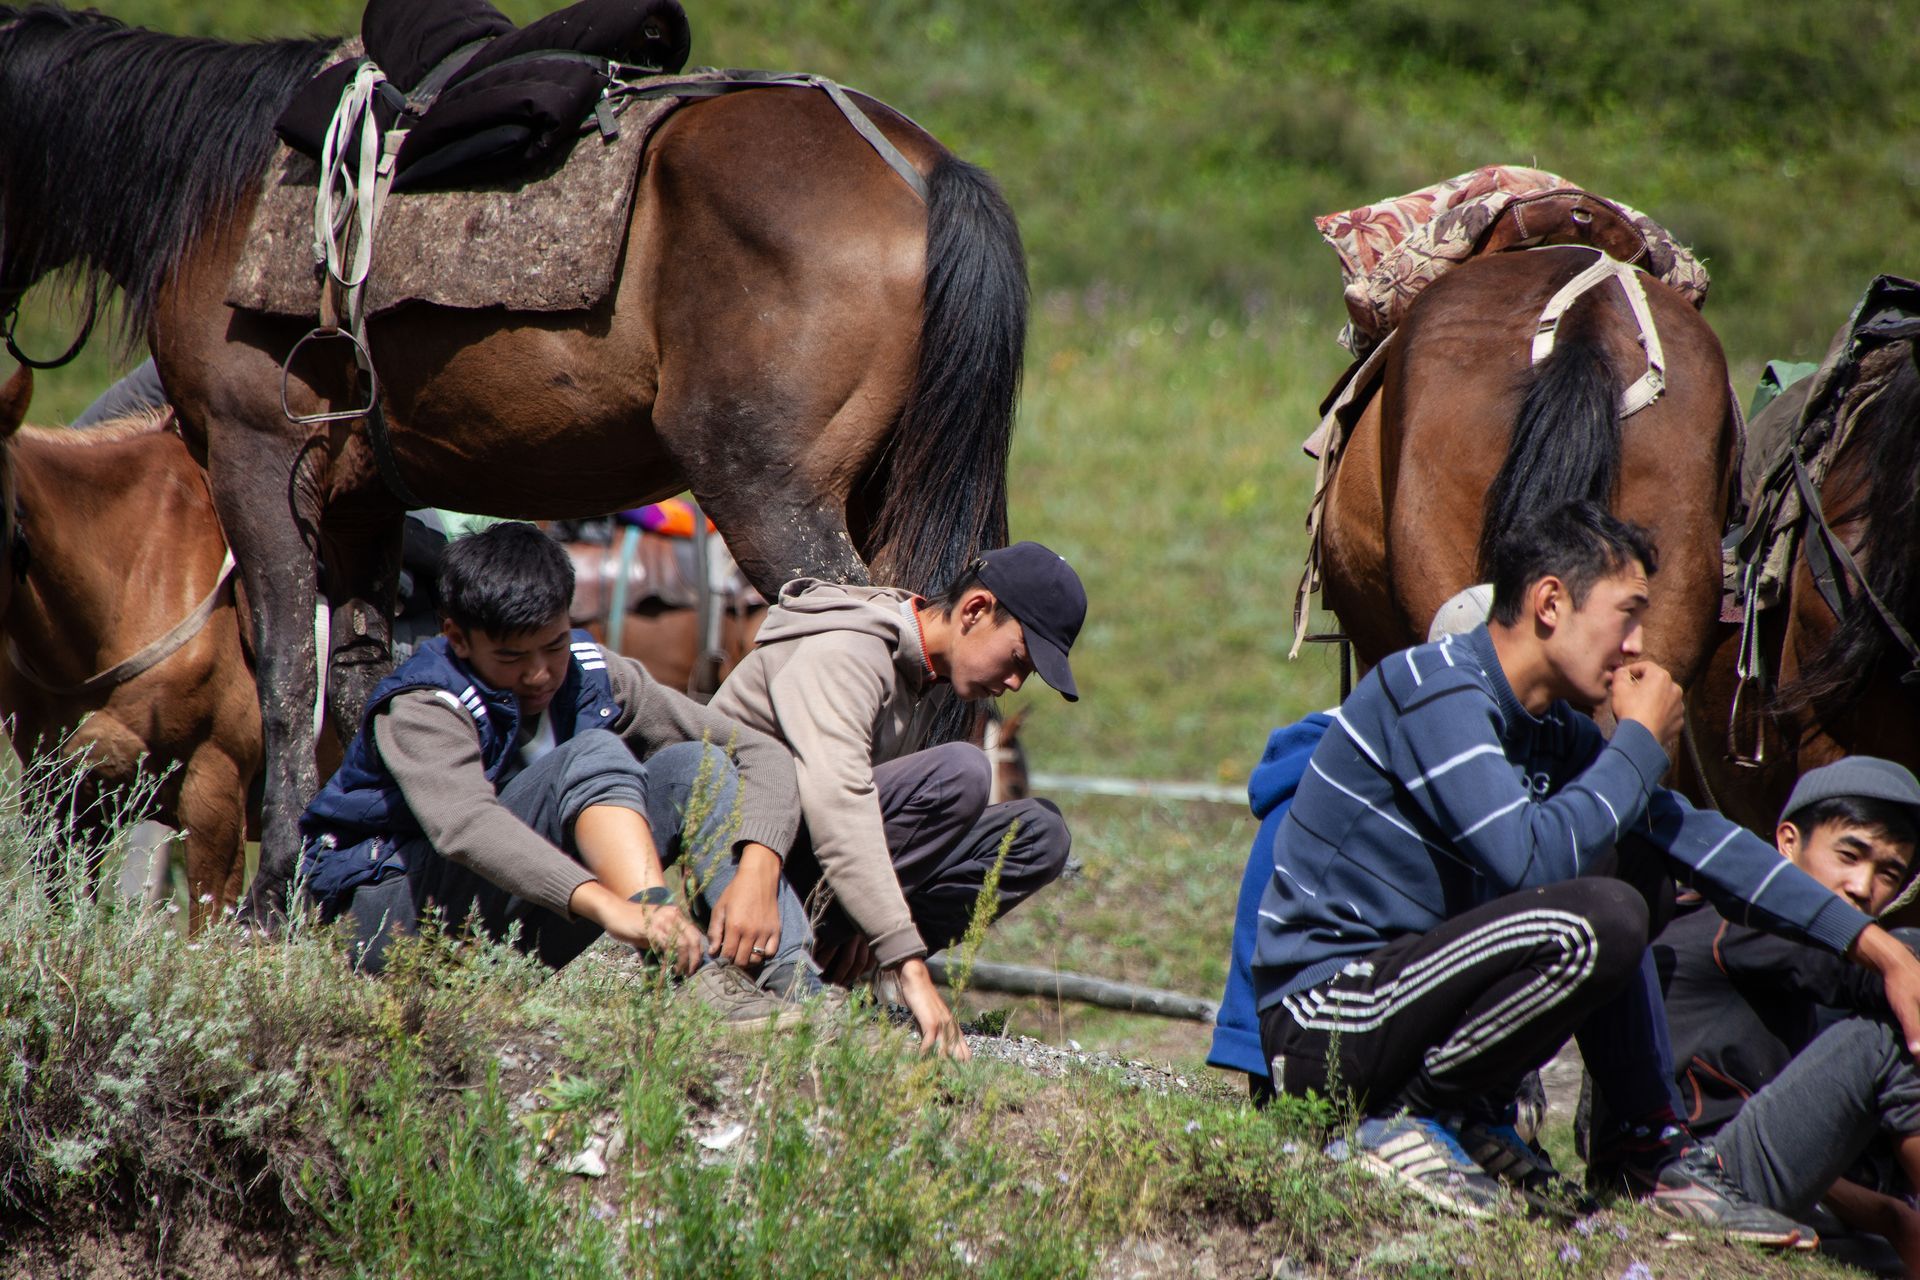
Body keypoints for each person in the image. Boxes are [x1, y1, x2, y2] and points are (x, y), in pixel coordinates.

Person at [1252, 499, 1920, 1242]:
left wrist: (1879, 949)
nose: (1639, 645)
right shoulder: (1434, 688)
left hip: (1407, 1007)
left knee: (1641, 860)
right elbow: (1526, 857)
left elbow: (1702, 842)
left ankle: (1643, 1151)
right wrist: (1637, 743)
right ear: (1549, 602)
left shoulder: (1551, 734)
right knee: (1602, 916)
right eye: (1627, 614)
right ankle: (1409, 1115)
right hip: (1328, 1027)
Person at [299, 522, 819, 1026]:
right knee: (594, 752)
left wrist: (758, 869)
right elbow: (465, 826)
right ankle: (687, 968)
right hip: (381, 920)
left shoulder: (596, 674)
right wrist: (615, 909)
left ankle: (793, 985)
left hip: (505, 913)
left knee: (697, 767)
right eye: (511, 656)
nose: (540, 673)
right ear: (456, 637)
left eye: (554, 645)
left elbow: (758, 753)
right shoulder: (422, 704)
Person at [710, 542, 1084, 1060]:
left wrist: (877, 917)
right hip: (737, 874)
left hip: (805, 864)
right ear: (976, 610)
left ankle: (834, 949)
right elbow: (839, 804)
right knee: (963, 772)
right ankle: (780, 960)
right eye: (1018, 659)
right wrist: (906, 960)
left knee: (1041, 833)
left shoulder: (925, 674)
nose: (1016, 683)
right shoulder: (849, 650)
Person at [1634, 758, 1920, 1269]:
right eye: (1849, 854)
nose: (1862, 886)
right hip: (1684, 1181)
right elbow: (1889, 972)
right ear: (1787, 842)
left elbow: (1785, 1142)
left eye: (1888, 873)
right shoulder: (1741, 921)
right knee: (1893, 1039)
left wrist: (1890, 1216)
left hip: (1729, 1179)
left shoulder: (1793, 965)